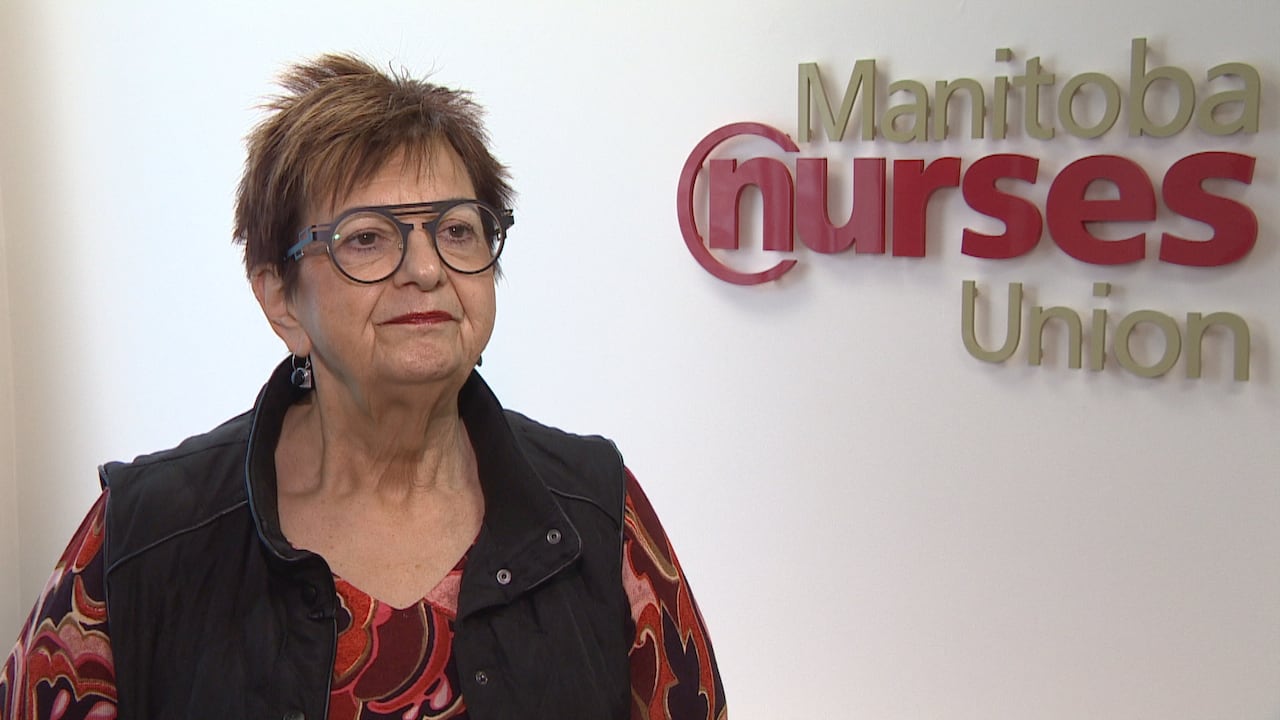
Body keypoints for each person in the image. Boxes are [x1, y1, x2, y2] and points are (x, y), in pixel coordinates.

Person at [0, 54, 725, 720]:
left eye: (457, 230)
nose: (427, 269)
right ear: (280, 299)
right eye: (368, 237)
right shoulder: (146, 532)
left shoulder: (597, 509)